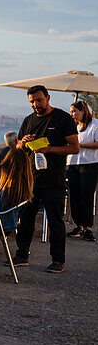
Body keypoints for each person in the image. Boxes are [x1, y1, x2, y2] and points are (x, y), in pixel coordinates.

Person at [13, 85, 80, 273]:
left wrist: (49, 149)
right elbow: (18, 149)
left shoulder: (62, 118)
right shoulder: (28, 120)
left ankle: (58, 260)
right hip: (31, 179)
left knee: (55, 221)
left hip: (54, 180)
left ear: (48, 98)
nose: (36, 104)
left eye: (39, 100)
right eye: (32, 101)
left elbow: (75, 147)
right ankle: (21, 254)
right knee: (25, 218)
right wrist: (22, 143)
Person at [66, 100, 98, 242]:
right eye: (71, 111)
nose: (72, 114)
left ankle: (88, 228)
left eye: (75, 111)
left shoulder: (94, 124)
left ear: (83, 111)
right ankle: (79, 226)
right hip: (72, 164)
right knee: (74, 196)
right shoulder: (72, 126)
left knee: (86, 196)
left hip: (89, 164)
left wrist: (80, 145)